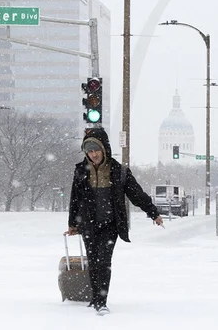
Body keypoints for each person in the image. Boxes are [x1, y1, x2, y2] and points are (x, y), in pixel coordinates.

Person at [64, 128, 164, 316]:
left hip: (110, 224)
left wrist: (153, 213)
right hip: (89, 224)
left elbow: (137, 195)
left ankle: (101, 301)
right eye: (89, 151)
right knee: (93, 262)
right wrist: (73, 225)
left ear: (105, 149)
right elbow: (75, 199)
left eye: (96, 150)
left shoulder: (119, 171)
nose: (93, 154)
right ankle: (95, 298)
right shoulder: (80, 171)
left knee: (104, 261)